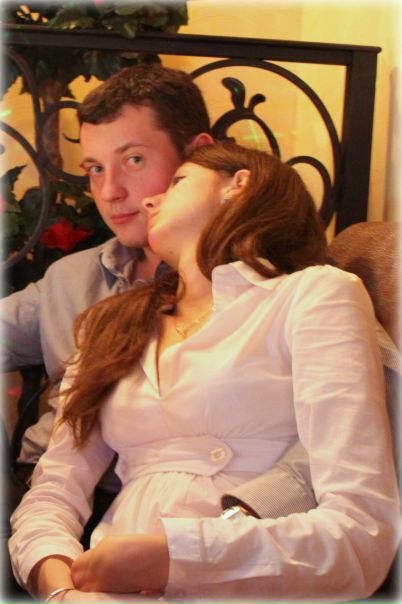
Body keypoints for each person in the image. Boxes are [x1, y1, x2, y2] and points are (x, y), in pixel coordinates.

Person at [9, 141, 400, 602]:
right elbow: (53, 491)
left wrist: (174, 558)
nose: (149, 200)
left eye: (178, 181)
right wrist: (59, 589)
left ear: (239, 184)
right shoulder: (110, 327)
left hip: (249, 583)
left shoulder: (313, 294)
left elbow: (361, 532)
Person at [2, 63, 315, 530]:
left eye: (134, 160)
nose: (110, 192)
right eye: (95, 169)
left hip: (196, 516)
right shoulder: (72, 278)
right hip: (39, 495)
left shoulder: (283, 285)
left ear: (199, 155)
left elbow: (347, 428)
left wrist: (236, 519)